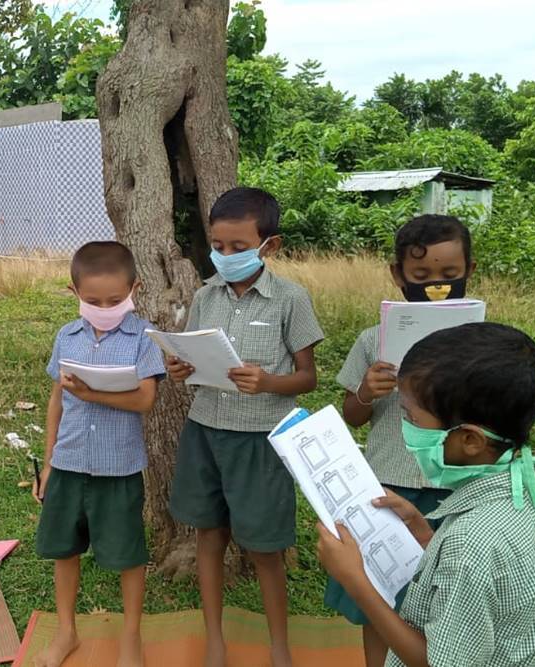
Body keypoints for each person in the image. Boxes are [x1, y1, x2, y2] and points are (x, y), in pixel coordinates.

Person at [317, 322, 535, 667]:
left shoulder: (471, 543)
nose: (407, 430)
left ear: (470, 440)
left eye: (412, 418)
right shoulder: (521, 493)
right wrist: (425, 536)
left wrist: (357, 581)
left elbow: (435, 662)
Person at [166, 187, 324, 667]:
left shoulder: (291, 299)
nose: (225, 256)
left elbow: (308, 377)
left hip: (261, 439)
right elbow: (194, 357)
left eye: (238, 247)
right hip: (205, 430)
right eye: (218, 246)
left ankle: (280, 646)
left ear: (268, 246)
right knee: (208, 535)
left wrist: (269, 381)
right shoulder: (204, 296)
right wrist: (182, 369)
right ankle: (214, 639)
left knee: (265, 547)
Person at [327, 214, 476, 666]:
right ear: (397, 275)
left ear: (470, 270)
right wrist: (364, 393)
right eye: (422, 276)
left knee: (443, 598)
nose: (437, 286)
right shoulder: (374, 340)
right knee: (381, 597)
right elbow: (351, 418)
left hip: (455, 489)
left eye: (450, 276)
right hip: (387, 488)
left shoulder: (481, 343)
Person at [33, 241, 166, 667]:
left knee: (128, 554)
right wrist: (49, 461)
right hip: (69, 461)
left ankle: (131, 635)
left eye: (114, 300)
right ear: (74, 293)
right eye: (93, 301)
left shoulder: (143, 339)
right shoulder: (65, 336)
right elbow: (57, 398)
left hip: (119, 466)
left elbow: (146, 399)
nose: (104, 308)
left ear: (135, 289)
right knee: (64, 549)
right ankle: (67, 630)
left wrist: (93, 394)